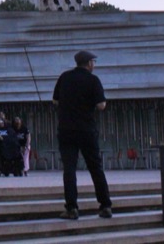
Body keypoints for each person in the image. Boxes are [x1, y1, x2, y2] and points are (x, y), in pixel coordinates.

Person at [53, 50, 113, 220]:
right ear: (88, 63)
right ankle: (105, 205)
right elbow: (101, 105)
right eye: (93, 62)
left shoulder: (64, 77)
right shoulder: (93, 80)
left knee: (69, 170)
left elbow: (55, 101)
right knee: (95, 168)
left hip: (66, 130)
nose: (94, 65)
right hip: (86, 129)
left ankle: (71, 208)